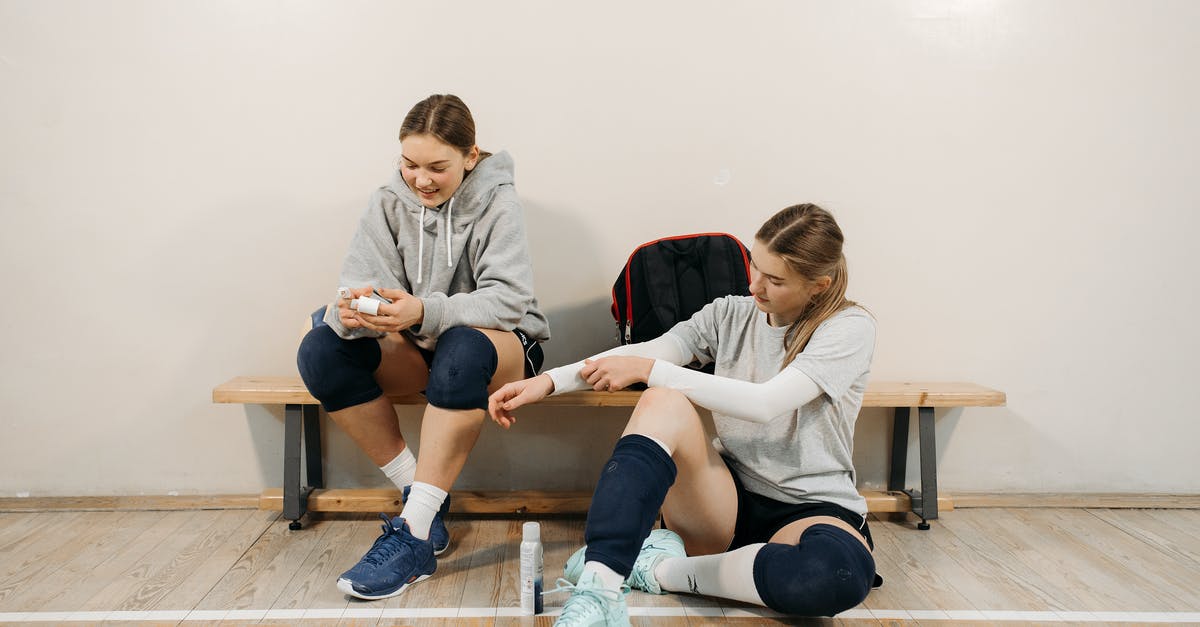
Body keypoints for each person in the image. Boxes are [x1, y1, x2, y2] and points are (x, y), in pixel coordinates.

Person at [489, 204, 879, 624]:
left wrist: (652, 371)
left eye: (775, 280)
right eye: (754, 265)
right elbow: (649, 352)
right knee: (662, 400)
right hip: (724, 501)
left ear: (818, 286)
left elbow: (765, 403)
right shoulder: (730, 312)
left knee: (835, 578)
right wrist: (548, 382)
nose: (755, 286)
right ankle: (601, 588)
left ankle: (659, 570)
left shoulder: (849, 327)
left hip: (812, 507)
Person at [297, 94, 550, 600]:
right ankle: (422, 501)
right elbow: (364, 282)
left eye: (438, 167)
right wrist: (355, 312)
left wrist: (425, 311)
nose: (421, 180)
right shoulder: (387, 202)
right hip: (418, 341)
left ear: (471, 157)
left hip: (499, 347)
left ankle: (411, 539)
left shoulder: (498, 200)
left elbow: (509, 300)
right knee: (321, 350)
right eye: (410, 165)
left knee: (459, 351)